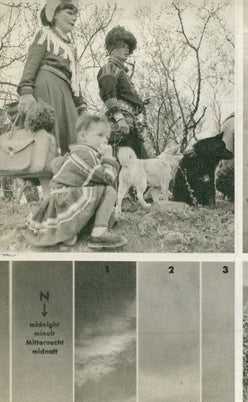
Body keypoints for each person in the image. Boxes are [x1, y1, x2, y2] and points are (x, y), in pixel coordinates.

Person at [22, 113, 127, 250]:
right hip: (64, 202)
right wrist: (109, 158)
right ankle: (98, 233)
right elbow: (108, 178)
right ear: (83, 136)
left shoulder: (83, 153)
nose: (105, 141)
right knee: (109, 191)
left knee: (99, 190)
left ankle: (69, 233)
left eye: (107, 138)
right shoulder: (85, 155)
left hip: (64, 201)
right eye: (100, 135)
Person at [18, 0, 85, 157]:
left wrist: (81, 106)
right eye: (69, 13)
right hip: (47, 88)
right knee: (47, 139)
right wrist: (26, 91)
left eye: (76, 14)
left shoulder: (71, 47)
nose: (74, 18)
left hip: (66, 95)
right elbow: (31, 64)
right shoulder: (44, 35)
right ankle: (46, 178)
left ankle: (65, 178)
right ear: (54, 14)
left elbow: (75, 81)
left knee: (72, 138)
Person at [97, 26, 150, 158]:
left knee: (140, 165)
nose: (126, 49)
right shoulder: (109, 68)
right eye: (122, 45)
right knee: (122, 165)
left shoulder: (121, 72)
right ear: (112, 49)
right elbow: (108, 93)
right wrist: (119, 118)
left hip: (130, 125)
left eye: (128, 47)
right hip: (119, 125)